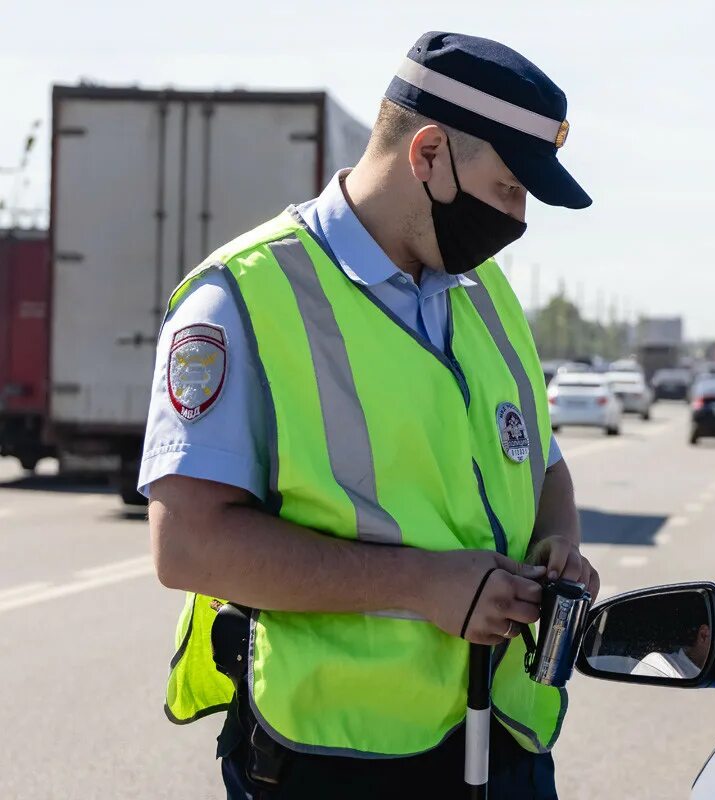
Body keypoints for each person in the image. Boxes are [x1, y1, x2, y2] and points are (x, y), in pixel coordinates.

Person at [141, 31, 598, 799]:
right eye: (509, 188)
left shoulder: (485, 295)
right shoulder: (244, 297)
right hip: (336, 762)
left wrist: (558, 543)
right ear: (427, 155)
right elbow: (187, 545)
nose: (517, 218)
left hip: (504, 747)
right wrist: (423, 584)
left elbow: (542, 462)